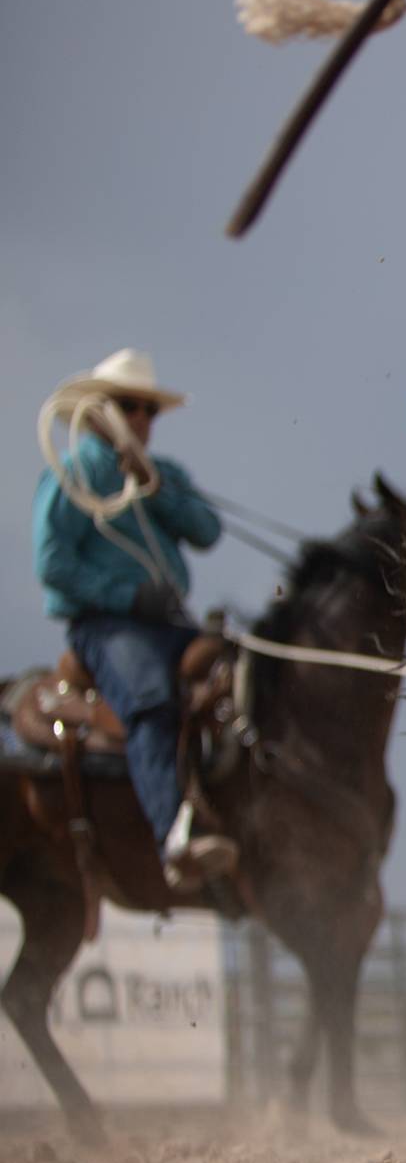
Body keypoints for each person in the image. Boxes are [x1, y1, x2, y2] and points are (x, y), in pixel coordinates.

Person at [32, 348, 233, 885]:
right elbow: (51, 562)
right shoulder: (74, 474)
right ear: (100, 411)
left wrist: (153, 484)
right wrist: (125, 596)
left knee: (237, 688)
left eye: (149, 409)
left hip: (171, 623)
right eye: (130, 405)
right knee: (150, 700)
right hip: (111, 627)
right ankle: (174, 837)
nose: (142, 419)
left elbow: (207, 532)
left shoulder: (162, 475)